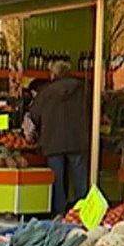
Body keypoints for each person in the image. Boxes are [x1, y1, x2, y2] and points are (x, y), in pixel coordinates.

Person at [26, 60, 92, 217]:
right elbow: (95, 108)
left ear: (53, 74)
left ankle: (59, 213)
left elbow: (34, 115)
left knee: (57, 179)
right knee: (80, 178)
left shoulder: (46, 92)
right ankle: (82, 212)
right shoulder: (83, 89)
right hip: (78, 140)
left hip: (53, 141)